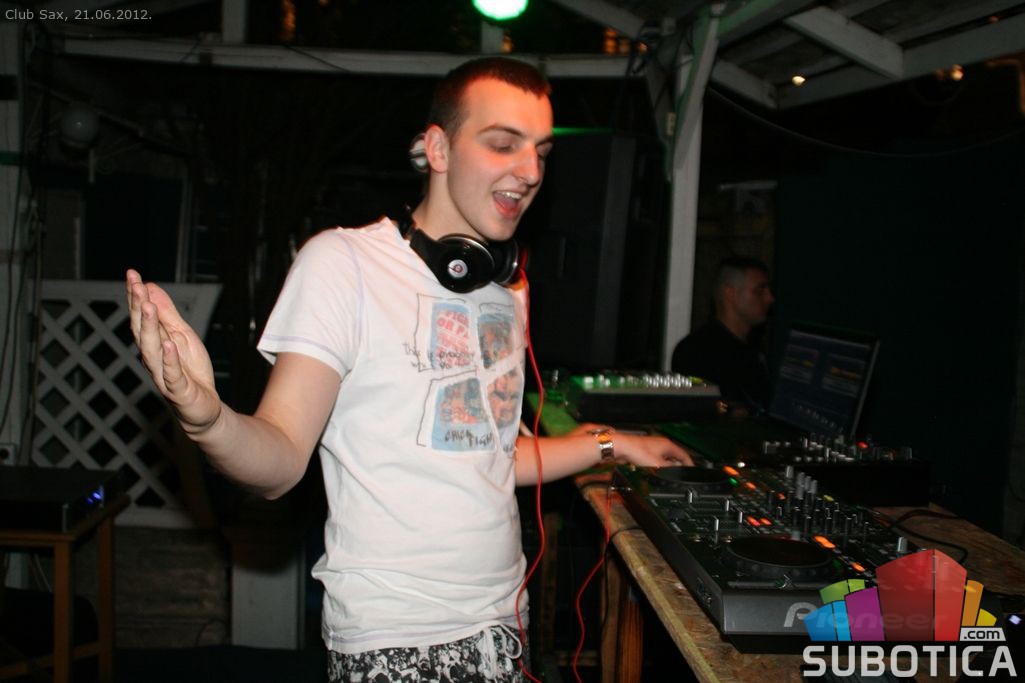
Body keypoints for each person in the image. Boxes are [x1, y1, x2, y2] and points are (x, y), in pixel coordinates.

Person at [126, 57, 691, 683]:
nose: (531, 171)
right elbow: (280, 462)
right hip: (397, 639)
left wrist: (614, 443)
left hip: (503, 624)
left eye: (541, 152)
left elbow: (492, 456)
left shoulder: (507, 290)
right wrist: (207, 419)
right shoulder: (343, 265)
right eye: (503, 143)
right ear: (438, 149)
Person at [671, 255, 774, 413]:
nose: (770, 298)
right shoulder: (695, 351)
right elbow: (698, 409)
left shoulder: (755, 349)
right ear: (730, 293)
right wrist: (730, 410)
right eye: (759, 291)